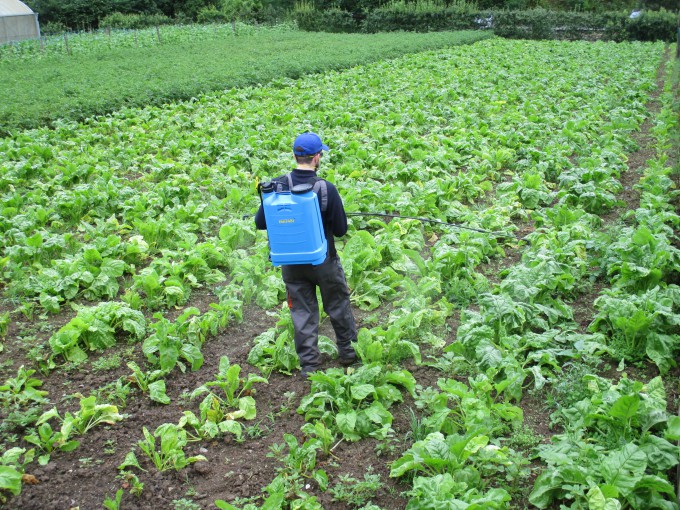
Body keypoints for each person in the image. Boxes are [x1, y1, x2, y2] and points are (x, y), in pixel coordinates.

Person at [255, 132, 358, 379]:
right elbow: (342, 230)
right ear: (317, 157)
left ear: (295, 155)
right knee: (338, 305)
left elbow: (261, 222)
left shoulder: (277, 186)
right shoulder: (325, 189)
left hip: (291, 263)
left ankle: (310, 365)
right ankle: (349, 354)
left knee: (302, 311)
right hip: (324, 262)